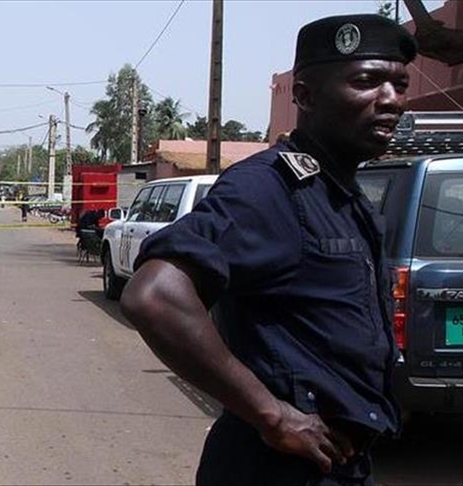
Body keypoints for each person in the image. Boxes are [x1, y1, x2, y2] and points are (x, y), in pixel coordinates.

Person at [120, 14, 416, 486]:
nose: (390, 101)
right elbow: (155, 297)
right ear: (303, 95)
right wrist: (272, 415)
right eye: (366, 82)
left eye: (399, 85)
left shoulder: (341, 194)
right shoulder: (271, 189)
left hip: (339, 463)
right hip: (277, 469)